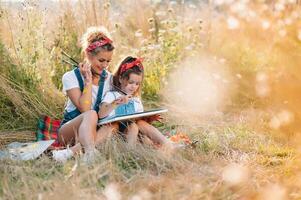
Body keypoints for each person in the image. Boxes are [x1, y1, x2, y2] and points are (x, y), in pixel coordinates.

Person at [52, 26, 115, 163]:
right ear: (88, 55)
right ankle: (91, 153)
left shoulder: (110, 79)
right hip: (70, 131)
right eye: (101, 60)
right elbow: (85, 109)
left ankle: (70, 153)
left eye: (108, 61)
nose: (105, 65)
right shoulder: (70, 77)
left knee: (113, 126)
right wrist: (88, 81)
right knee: (91, 113)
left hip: (94, 130)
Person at [99, 56, 173, 148]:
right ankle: (130, 152)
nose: (134, 86)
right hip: (115, 131)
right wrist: (116, 103)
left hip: (132, 133)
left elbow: (138, 119)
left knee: (137, 125)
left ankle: (166, 144)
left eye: (137, 84)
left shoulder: (136, 100)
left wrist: (148, 118)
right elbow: (101, 114)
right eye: (131, 82)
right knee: (133, 127)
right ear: (121, 78)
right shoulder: (112, 95)